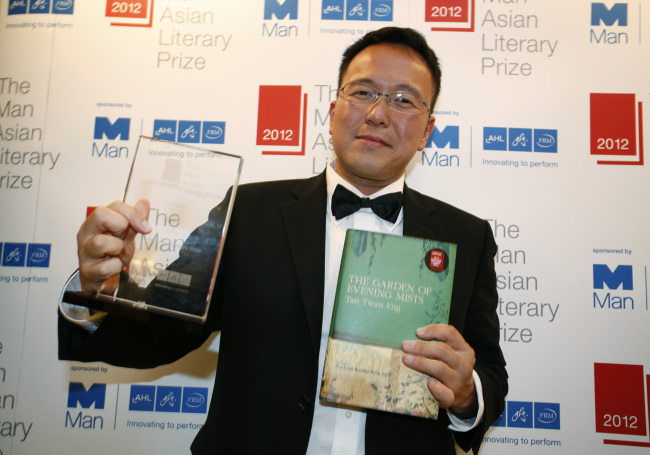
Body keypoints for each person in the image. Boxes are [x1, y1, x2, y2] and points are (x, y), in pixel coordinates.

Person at [59, 27, 507, 454]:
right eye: (363, 92)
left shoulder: (466, 237)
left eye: (403, 100)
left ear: (428, 130)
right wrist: (99, 291)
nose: (378, 113)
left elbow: (488, 372)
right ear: (332, 112)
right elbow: (160, 331)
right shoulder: (246, 212)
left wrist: (466, 394)